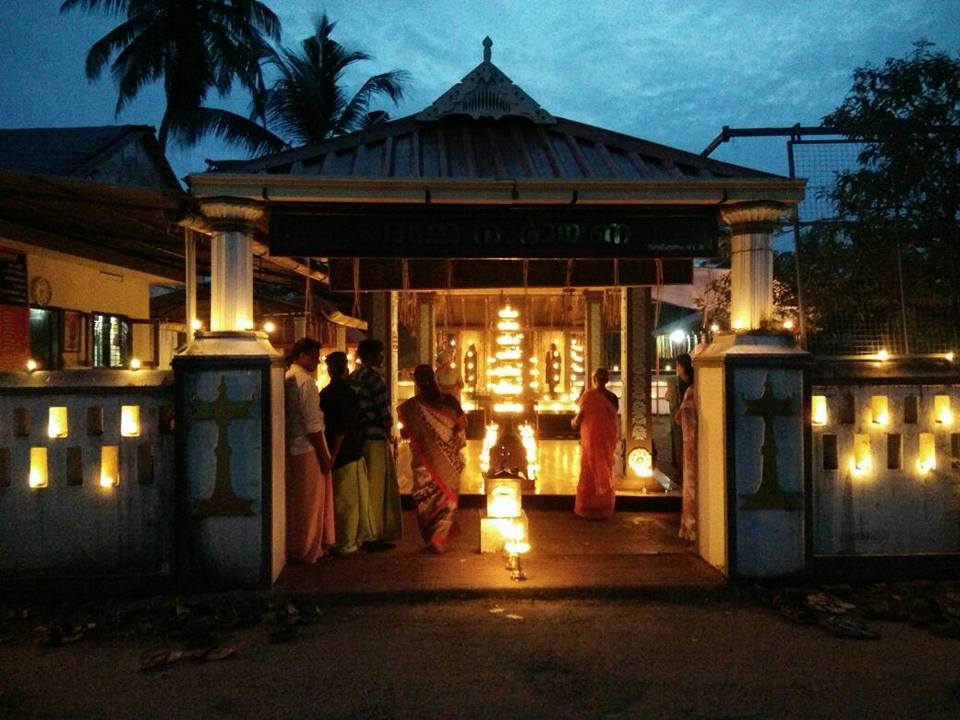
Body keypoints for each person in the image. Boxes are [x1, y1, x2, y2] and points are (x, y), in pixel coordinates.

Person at [397, 364, 466, 552]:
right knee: (448, 500)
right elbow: (461, 424)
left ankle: (435, 538)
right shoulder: (450, 401)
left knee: (425, 499)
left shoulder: (413, 407)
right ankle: (439, 537)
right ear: (435, 378)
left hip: (423, 462)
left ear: (416, 382)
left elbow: (404, 433)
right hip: (449, 461)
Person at [284, 337, 335, 563]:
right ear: (300, 356)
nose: (316, 361)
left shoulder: (287, 378)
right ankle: (308, 550)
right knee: (311, 502)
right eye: (313, 356)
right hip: (308, 447)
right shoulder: (306, 382)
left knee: (297, 500)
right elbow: (312, 423)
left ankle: (298, 546)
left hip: (293, 445)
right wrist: (324, 455)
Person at [349, 338, 402, 547]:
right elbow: (383, 413)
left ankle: (363, 530)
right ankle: (375, 534)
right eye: (379, 354)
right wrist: (390, 431)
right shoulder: (375, 380)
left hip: (359, 437)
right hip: (375, 437)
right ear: (370, 355)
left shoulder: (354, 377)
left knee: (364, 484)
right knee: (377, 487)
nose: (382, 357)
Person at [320, 351, 374, 555]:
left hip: (333, 450)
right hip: (348, 451)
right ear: (346, 369)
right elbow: (344, 427)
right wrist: (334, 453)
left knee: (337, 500)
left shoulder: (325, 394)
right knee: (349, 502)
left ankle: (336, 539)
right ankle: (348, 542)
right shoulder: (349, 394)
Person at [571, 367, 619, 519]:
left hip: (592, 437)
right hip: (607, 438)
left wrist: (573, 423)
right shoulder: (612, 397)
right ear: (607, 381)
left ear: (594, 380)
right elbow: (612, 418)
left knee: (589, 470)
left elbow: (580, 417)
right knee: (604, 468)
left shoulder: (589, 395)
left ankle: (587, 506)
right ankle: (604, 505)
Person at [675, 355, 698, 541]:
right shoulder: (691, 390)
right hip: (691, 440)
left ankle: (693, 525)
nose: (676, 370)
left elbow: (683, 415)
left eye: (678, 366)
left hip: (693, 441)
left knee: (692, 481)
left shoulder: (692, 391)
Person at [667, 353, 693, 477]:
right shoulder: (694, 381)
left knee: (681, 445)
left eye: (678, 365)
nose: (676, 368)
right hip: (686, 418)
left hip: (685, 417)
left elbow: (667, 397)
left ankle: (682, 472)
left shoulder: (675, 382)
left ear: (683, 367)